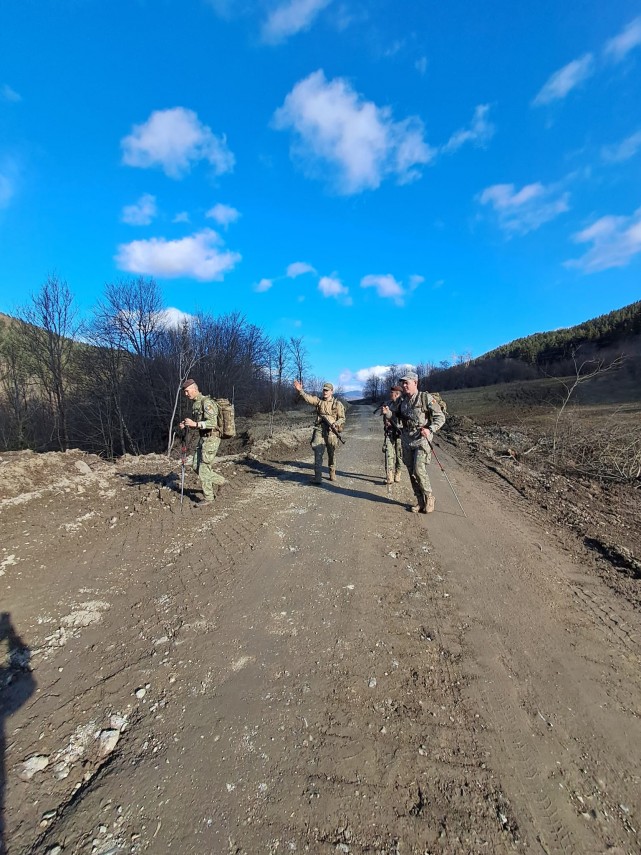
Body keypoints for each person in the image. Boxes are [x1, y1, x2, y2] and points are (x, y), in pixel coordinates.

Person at [382, 371, 445, 513]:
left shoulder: (425, 398)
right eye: (402, 383)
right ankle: (420, 501)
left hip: (422, 439)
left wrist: (430, 429)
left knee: (418, 468)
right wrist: (388, 413)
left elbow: (440, 418)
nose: (404, 385)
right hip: (406, 439)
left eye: (407, 383)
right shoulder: (401, 401)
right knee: (411, 471)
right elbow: (395, 416)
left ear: (415, 383)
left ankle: (429, 497)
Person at [179, 379, 226, 506]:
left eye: (187, 391)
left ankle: (209, 498)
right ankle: (221, 481)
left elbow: (213, 423)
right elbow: (200, 423)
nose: (186, 394)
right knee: (195, 466)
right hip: (203, 438)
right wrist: (188, 425)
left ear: (194, 389)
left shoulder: (207, 402)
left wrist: (195, 424)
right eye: (185, 392)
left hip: (212, 438)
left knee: (204, 468)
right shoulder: (196, 404)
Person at [293, 379, 346, 483]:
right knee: (318, 452)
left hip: (331, 432)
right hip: (319, 429)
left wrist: (336, 424)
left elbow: (342, 418)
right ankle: (318, 477)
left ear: (332, 391)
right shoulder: (319, 401)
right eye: (324, 390)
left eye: (327, 390)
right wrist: (301, 391)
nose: (325, 392)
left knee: (331, 453)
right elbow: (308, 399)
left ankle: (332, 472)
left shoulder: (337, 404)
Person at [382, 385, 403, 484]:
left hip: (400, 432)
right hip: (390, 432)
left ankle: (398, 473)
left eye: (392, 392)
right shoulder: (389, 404)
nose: (390, 394)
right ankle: (389, 476)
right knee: (388, 453)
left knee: (399, 454)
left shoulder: (403, 404)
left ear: (397, 394)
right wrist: (386, 423)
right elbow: (385, 417)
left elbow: (404, 418)